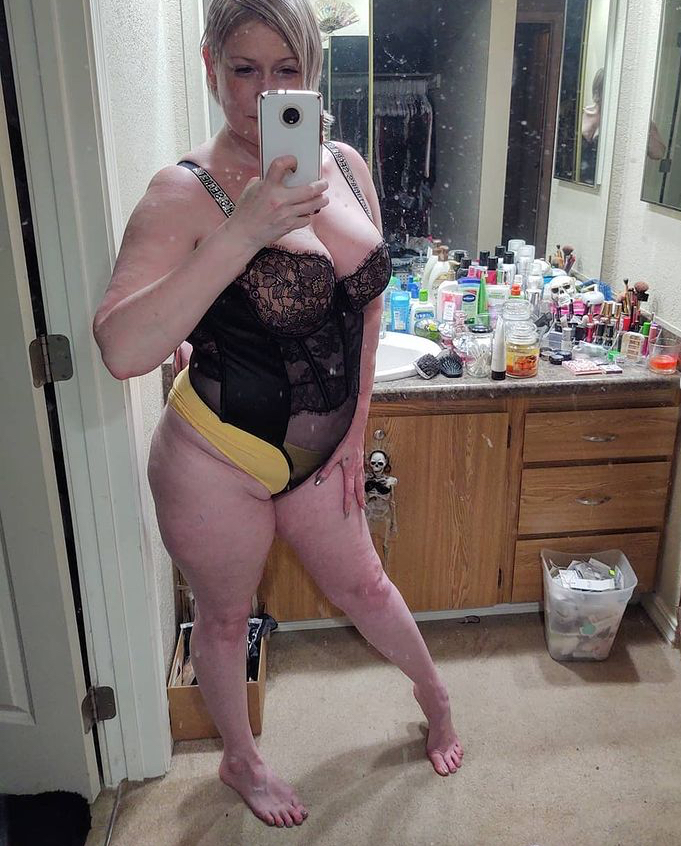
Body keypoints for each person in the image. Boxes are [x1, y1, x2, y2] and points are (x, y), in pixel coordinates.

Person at [92, 0, 463, 830]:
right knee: (226, 619)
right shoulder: (183, 191)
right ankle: (241, 759)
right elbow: (120, 347)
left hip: (325, 450)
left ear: (312, 73)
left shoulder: (345, 165)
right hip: (213, 457)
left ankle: (435, 696)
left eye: (286, 70)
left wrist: (355, 429)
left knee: (366, 585)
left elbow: (368, 303)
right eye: (244, 70)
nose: (264, 93)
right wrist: (245, 228)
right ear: (210, 65)